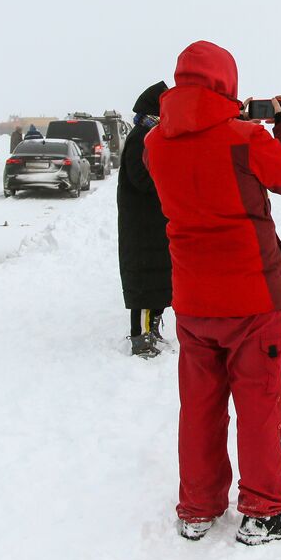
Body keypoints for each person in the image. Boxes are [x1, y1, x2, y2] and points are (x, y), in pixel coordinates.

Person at [144, 40, 281, 546]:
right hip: (252, 297)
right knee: (259, 402)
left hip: (193, 298)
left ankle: (197, 507)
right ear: (228, 85)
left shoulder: (155, 143)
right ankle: (263, 510)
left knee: (199, 406)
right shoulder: (244, 137)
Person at [118, 81, 172, 359]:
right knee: (144, 282)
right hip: (142, 224)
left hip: (152, 221)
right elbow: (141, 178)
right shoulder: (142, 136)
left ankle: (152, 329)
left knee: (157, 279)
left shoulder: (149, 134)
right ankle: (141, 338)